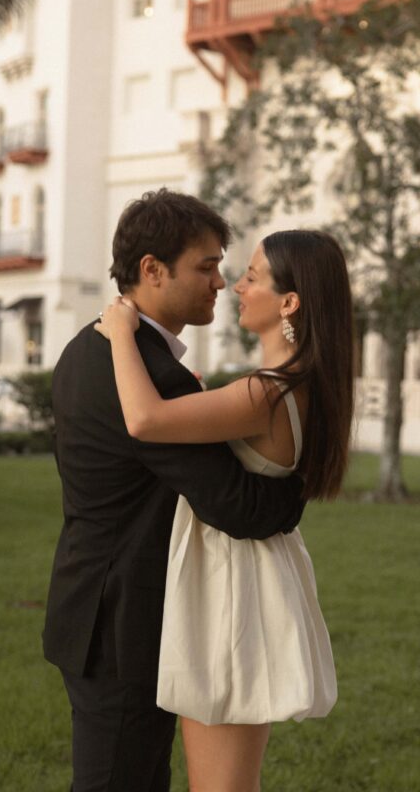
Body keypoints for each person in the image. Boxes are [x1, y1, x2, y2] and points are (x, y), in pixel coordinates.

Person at [43, 190, 306, 792]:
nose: (221, 281)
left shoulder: (89, 346)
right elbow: (238, 506)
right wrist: (294, 484)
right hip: (123, 623)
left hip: (95, 601)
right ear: (152, 270)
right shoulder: (149, 372)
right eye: (206, 266)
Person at [96, 229, 354, 792]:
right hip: (241, 578)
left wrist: (119, 333)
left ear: (289, 303)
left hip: (233, 588)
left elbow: (145, 420)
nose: (236, 285)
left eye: (253, 277)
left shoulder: (270, 392)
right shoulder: (294, 386)